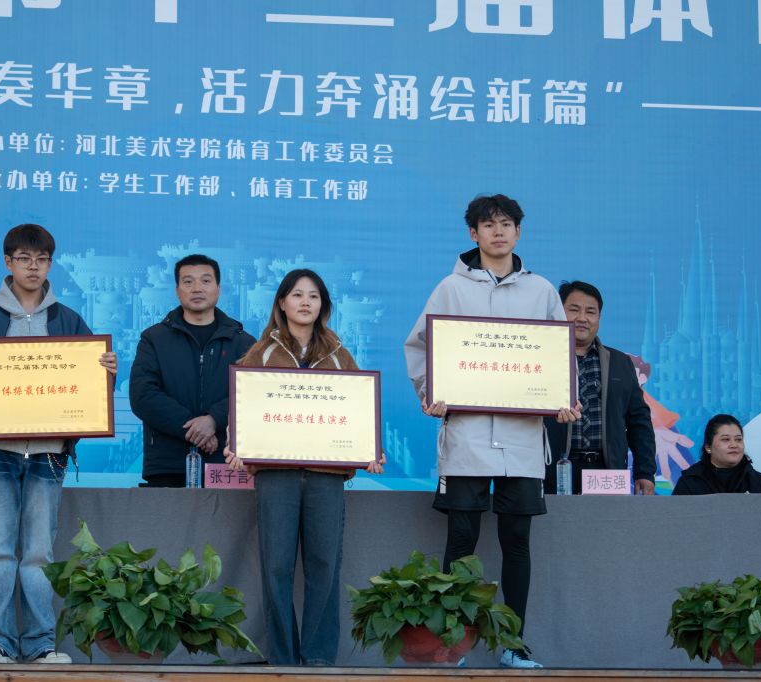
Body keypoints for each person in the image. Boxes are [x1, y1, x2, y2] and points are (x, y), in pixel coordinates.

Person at [403, 194, 580, 669]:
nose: (498, 232)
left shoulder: (541, 290)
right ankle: (452, 644)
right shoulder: (450, 288)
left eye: (506, 224)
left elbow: (558, 353)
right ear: (473, 234)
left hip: (522, 439)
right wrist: (430, 391)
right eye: (488, 224)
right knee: (461, 539)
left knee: (516, 541)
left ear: (519, 232)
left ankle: (513, 645)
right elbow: (420, 345)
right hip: (468, 434)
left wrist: (564, 397)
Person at [0, 224, 117, 665]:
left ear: (50, 264)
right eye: (23, 259)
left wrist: (106, 372)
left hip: (49, 454)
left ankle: (39, 643)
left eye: (41, 259)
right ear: (8, 262)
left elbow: (90, 391)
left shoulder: (68, 319)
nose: (33, 267)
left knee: (39, 553)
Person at [225, 269, 384, 666]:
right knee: (276, 566)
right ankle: (282, 657)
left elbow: (358, 410)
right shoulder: (260, 353)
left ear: (323, 306)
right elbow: (242, 407)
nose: (305, 302)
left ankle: (318, 658)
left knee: (325, 565)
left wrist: (369, 450)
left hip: (326, 478)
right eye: (297, 295)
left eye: (313, 296)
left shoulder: (340, 355)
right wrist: (236, 444)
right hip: (276, 476)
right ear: (282, 302)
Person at [130, 254, 255, 487]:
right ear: (177, 290)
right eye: (188, 282)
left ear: (218, 288)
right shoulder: (154, 339)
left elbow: (251, 395)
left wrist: (214, 420)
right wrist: (195, 428)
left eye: (206, 281)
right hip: (167, 462)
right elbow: (142, 395)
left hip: (226, 460)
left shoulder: (243, 342)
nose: (197, 288)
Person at [544, 281, 656, 495]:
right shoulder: (542, 360)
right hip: (555, 469)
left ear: (599, 318)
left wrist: (645, 471)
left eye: (590, 312)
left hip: (606, 472)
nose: (582, 318)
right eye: (574, 310)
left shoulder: (620, 362)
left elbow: (639, 421)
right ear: (558, 313)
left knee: (606, 519)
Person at [672, 414, 761, 495]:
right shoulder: (689, 484)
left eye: (738, 439)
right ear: (708, 447)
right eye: (726, 439)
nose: (734, 445)